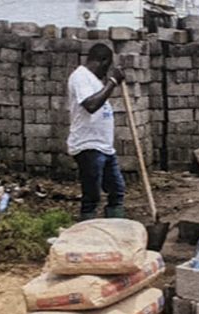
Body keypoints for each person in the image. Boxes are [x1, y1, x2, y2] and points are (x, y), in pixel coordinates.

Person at [67, 43, 126, 221]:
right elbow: (91, 105)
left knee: (117, 191)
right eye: (107, 67)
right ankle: (88, 234)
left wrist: (109, 83)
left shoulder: (94, 80)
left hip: (104, 147)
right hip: (88, 145)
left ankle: (115, 229)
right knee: (92, 196)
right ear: (102, 61)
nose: (106, 72)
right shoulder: (80, 76)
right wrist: (112, 82)